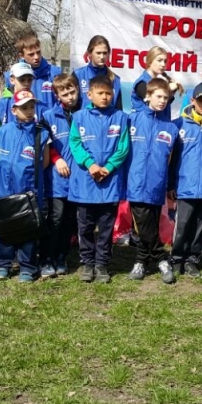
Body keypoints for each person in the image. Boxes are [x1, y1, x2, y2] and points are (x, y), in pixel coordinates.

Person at [0, 62, 46, 270]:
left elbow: (43, 155)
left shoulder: (39, 117)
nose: (26, 83)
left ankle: (25, 261)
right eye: (22, 79)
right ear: (12, 80)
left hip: (27, 180)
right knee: (2, 218)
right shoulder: (0, 106)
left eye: (29, 79)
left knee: (26, 219)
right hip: (3, 178)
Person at [68, 74, 129, 283]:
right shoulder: (79, 117)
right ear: (90, 94)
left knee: (105, 227)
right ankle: (87, 263)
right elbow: (75, 144)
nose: (105, 97)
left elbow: (123, 147)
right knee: (84, 226)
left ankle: (102, 264)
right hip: (86, 183)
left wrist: (109, 167)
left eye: (108, 93)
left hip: (109, 183)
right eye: (100, 93)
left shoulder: (120, 117)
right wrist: (90, 164)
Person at [125, 78, 179, 284]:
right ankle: (163, 259)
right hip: (136, 183)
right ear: (147, 96)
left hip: (157, 185)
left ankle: (140, 262)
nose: (162, 101)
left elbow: (171, 160)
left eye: (166, 98)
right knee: (145, 226)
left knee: (150, 228)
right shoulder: (132, 120)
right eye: (158, 96)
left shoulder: (171, 128)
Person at [168, 83, 202, 278]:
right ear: (192, 101)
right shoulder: (179, 125)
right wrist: (171, 185)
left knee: (201, 226)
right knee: (182, 225)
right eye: (200, 100)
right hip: (185, 186)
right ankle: (176, 258)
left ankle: (192, 260)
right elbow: (172, 160)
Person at [42, 73, 80, 277]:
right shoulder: (49, 116)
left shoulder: (84, 114)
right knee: (55, 218)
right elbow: (47, 144)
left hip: (77, 179)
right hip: (57, 179)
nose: (70, 96)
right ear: (57, 95)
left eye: (72, 91)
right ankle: (47, 258)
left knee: (68, 220)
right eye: (64, 93)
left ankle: (61, 257)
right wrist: (57, 159)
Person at [4, 31, 62, 109]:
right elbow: (8, 103)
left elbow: (62, 101)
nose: (36, 57)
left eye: (38, 52)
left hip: (50, 121)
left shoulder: (55, 73)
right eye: (31, 54)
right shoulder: (12, 76)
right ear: (21, 56)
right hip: (25, 119)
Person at [130, 46, 183, 119]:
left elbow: (163, 108)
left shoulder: (160, 82)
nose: (163, 64)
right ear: (150, 61)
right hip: (143, 126)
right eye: (159, 60)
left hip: (160, 125)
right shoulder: (141, 83)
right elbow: (153, 104)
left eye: (165, 61)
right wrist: (168, 89)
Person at [73, 35, 123, 110]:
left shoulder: (115, 79)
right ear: (90, 53)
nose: (102, 57)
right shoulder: (78, 75)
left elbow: (118, 110)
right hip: (85, 120)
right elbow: (72, 106)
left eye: (105, 53)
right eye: (98, 53)